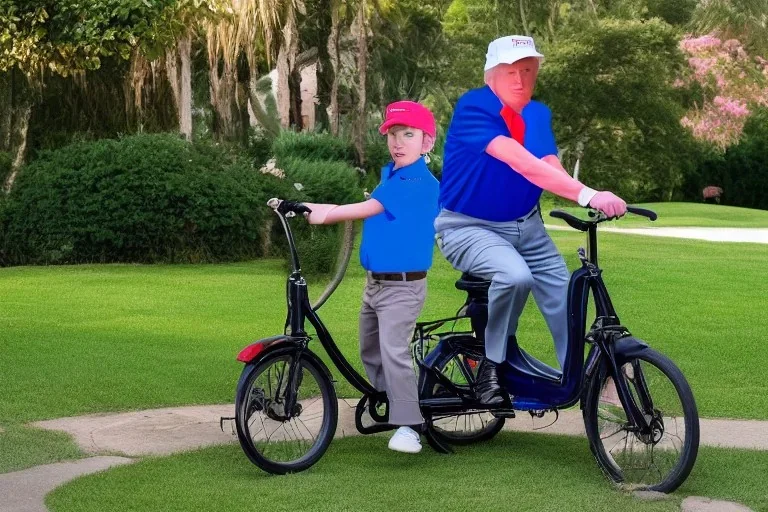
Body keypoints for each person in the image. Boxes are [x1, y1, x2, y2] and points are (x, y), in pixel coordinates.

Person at [436, 35, 627, 406]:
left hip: (528, 226)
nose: (520, 79)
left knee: (563, 296)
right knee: (515, 276)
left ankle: (586, 381)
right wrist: (589, 195)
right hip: (467, 227)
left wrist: (582, 191)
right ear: (491, 75)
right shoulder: (474, 107)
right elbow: (520, 161)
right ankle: (491, 366)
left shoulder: (536, 114)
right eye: (510, 71)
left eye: (527, 70)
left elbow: (547, 164)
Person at [301, 101, 440, 453]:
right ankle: (391, 403)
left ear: (426, 142)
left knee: (393, 351)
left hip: (403, 286)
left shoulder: (417, 180)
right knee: (370, 350)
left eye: (408, 134)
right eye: (393, 134)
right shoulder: (391, 175)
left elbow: (368, 209)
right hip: (376, 283)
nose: (398, 141)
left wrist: (322, 213)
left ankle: (409, 425)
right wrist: (311, 207)